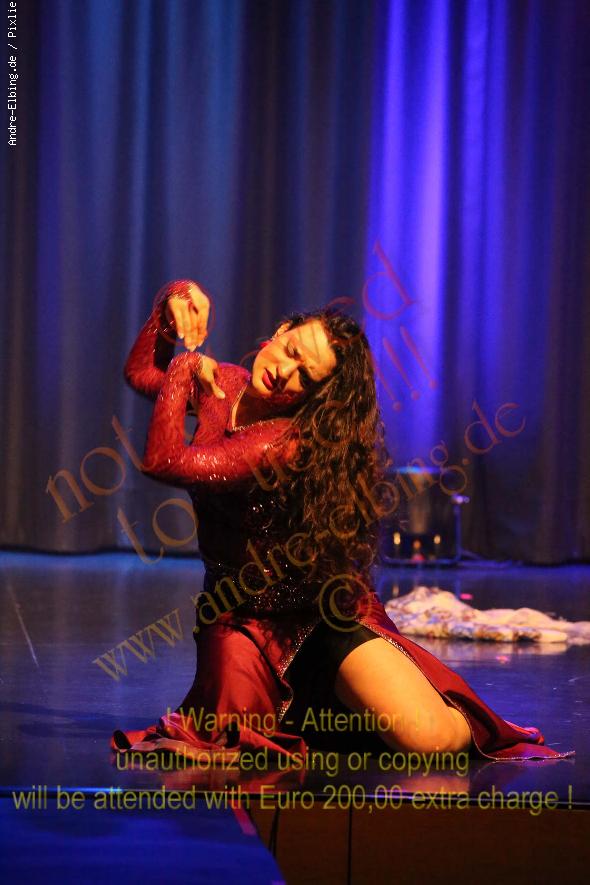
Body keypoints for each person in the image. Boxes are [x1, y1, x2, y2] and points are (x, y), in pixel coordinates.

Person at [111, 280, 574, 763]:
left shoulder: (284, 442)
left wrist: (184, 365)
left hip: (321, 616)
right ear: (280, 331)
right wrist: (172, 305)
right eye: (291, 351)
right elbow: (140, 373)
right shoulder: (222, 384)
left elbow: (164, 461)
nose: (284, 372)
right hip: (238, 619)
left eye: (305, 377)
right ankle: (331, 710)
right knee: (237, 737)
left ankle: (446, 715)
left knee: (429, 741)